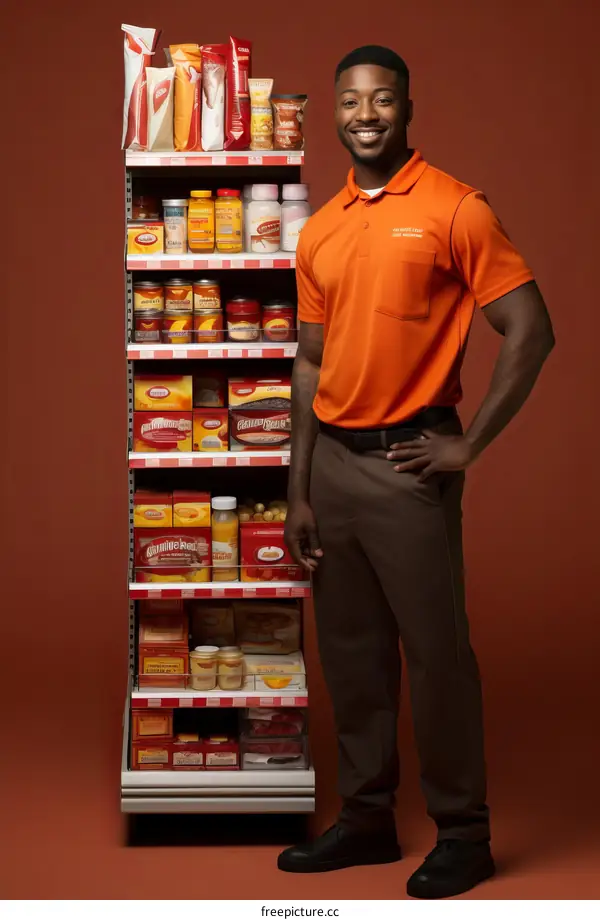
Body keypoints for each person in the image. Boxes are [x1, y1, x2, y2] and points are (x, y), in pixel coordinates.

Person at [278, 45, 555, 898]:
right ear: (334, 111)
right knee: (353, 657)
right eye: (351, 101)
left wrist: (467, 444)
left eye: (383, 100)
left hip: (410, 466)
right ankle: (365, 822)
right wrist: (297, 487)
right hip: (333, 466)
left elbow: (531, 329)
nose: (365, 115)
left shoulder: (454, 207)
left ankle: (464, 836)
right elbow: (308, 365)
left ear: (407, 109)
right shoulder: (320, 226)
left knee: (436, 659)